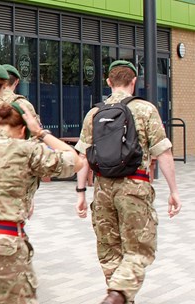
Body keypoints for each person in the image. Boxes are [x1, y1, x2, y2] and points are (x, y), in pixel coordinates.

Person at [74, 60, 182, 304]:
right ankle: (118, 295)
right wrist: (174, 191)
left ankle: (119, 296)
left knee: (109, 249)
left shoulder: (94, 113)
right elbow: (163, 153)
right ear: (134, 82)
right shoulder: (145, 109)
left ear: (109, 82)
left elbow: (82, 156)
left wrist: (80, 193)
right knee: (139, 249)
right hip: (135, 187)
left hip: (102, 190)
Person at [0, 102, 82, 304]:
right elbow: (75, 161)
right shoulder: (26, 149)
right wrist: (40, 133)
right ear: (23, 130)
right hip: (2, 240)